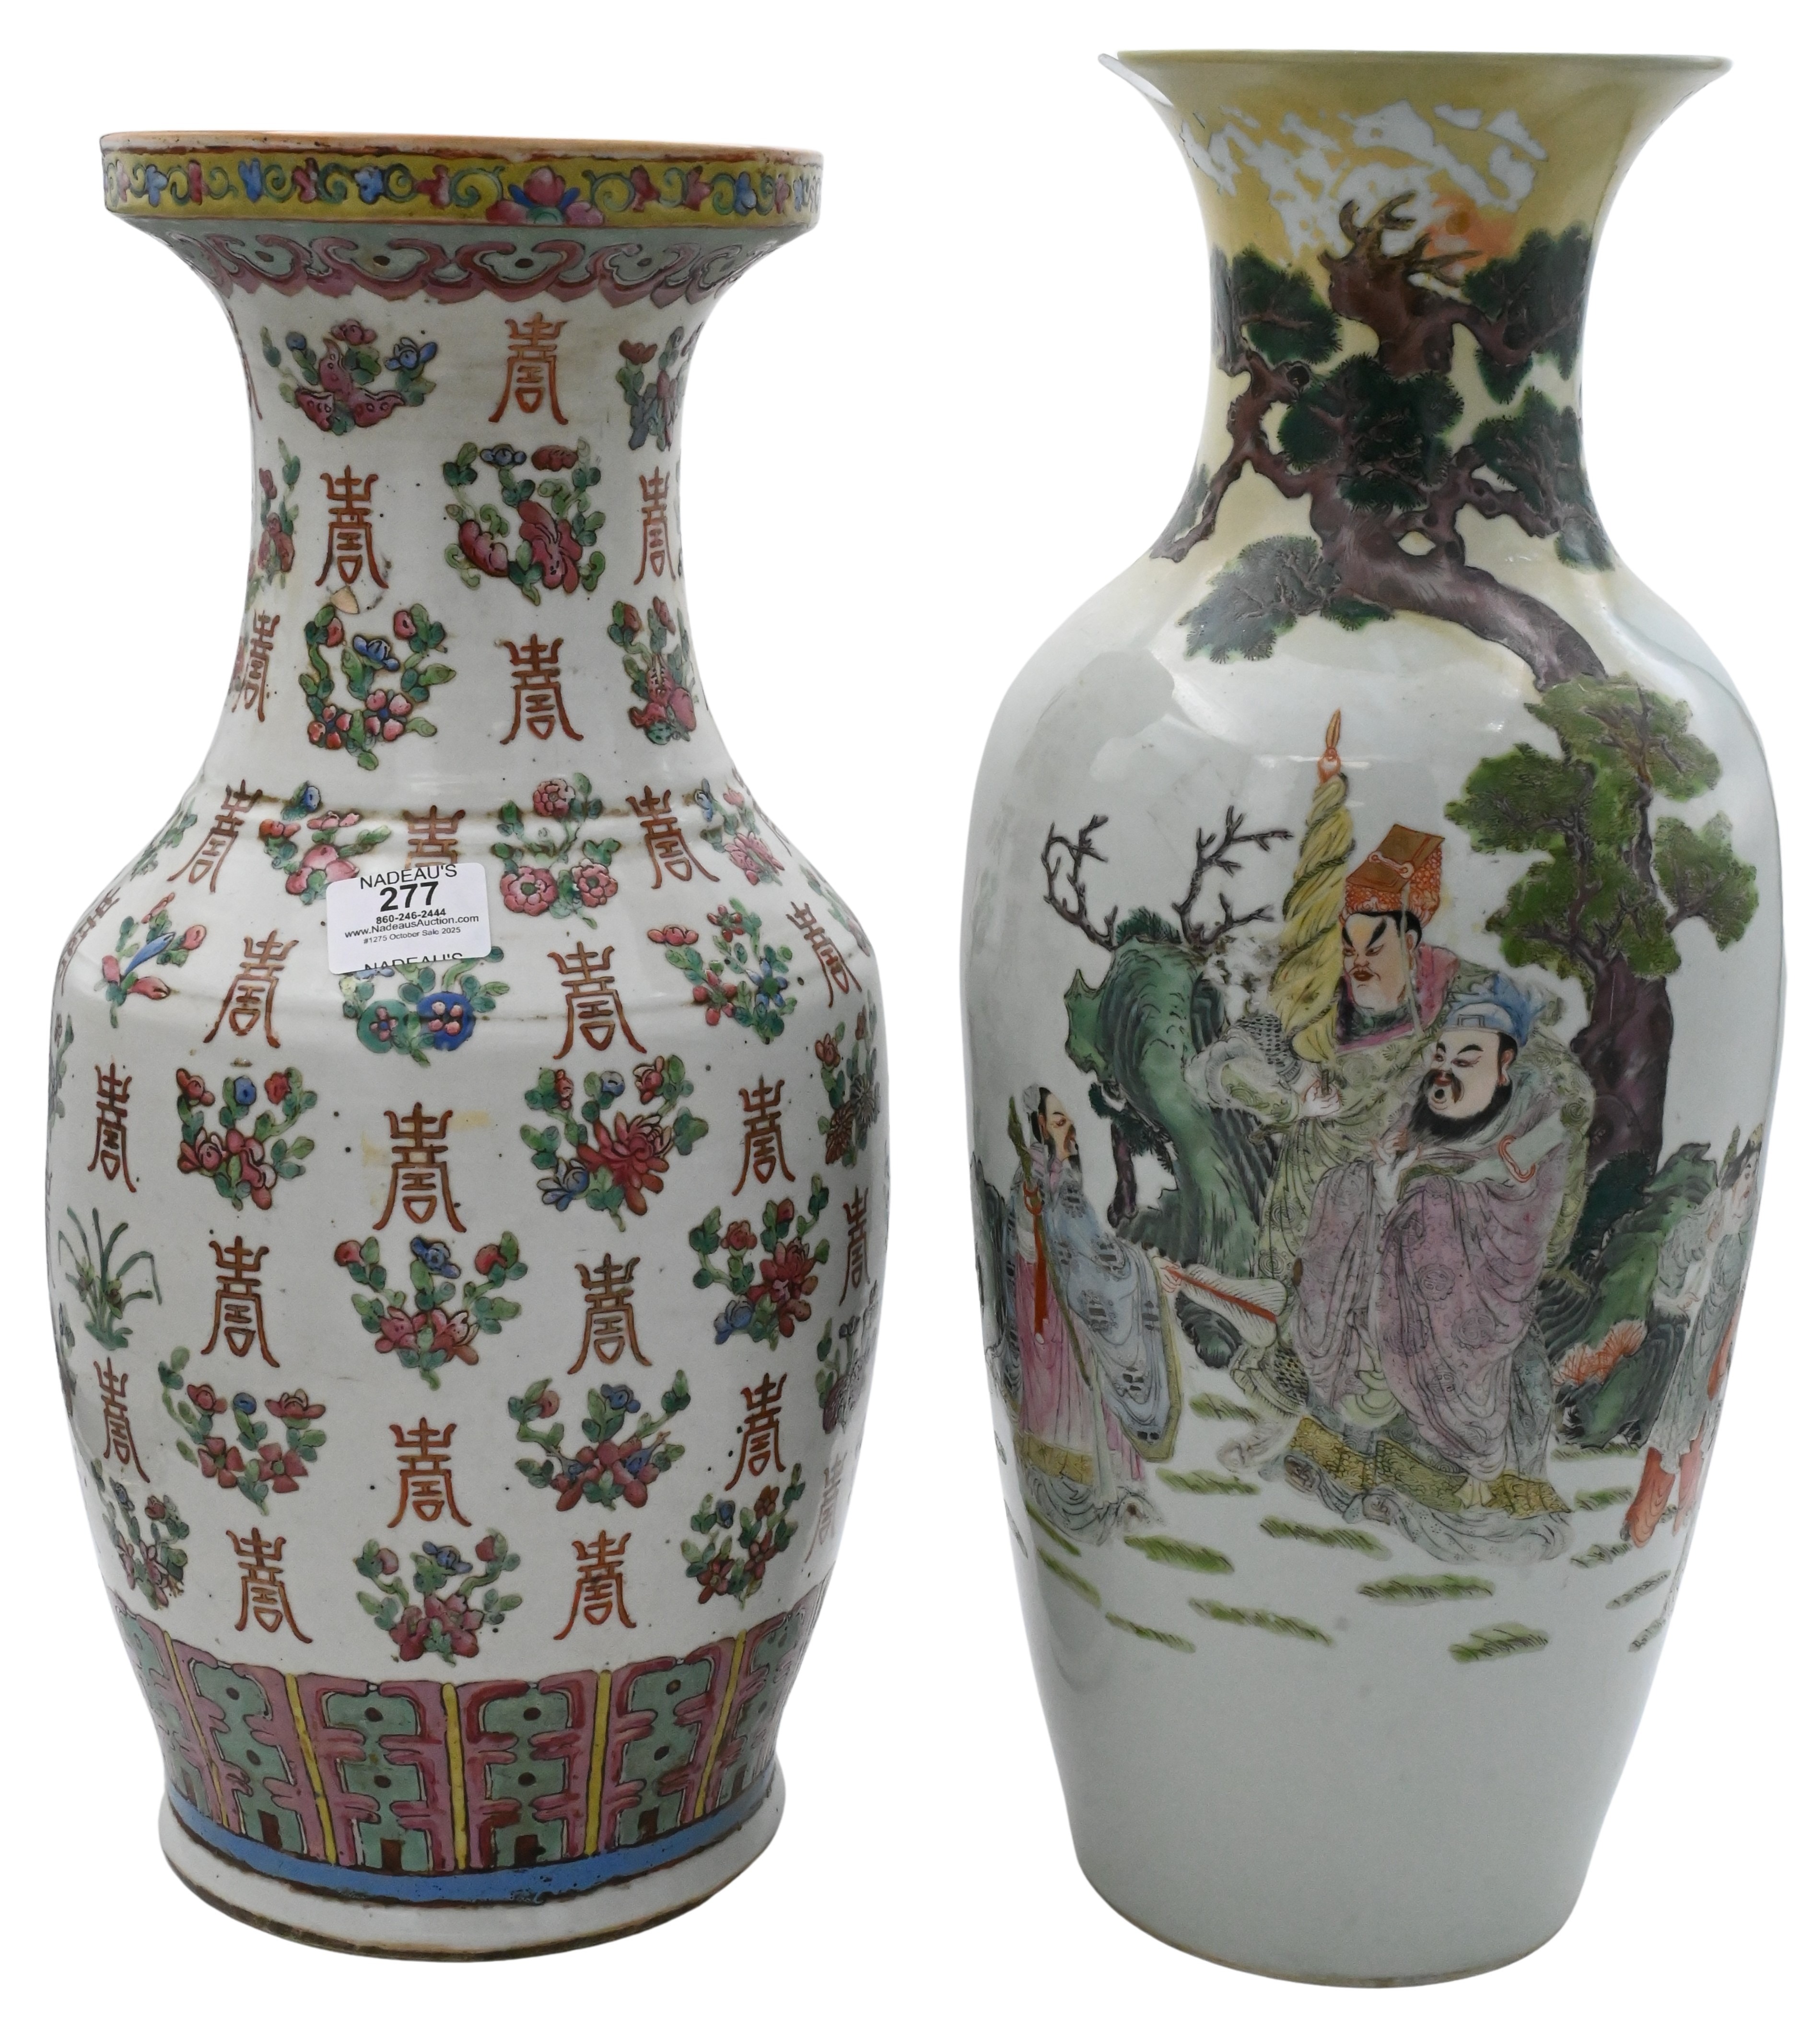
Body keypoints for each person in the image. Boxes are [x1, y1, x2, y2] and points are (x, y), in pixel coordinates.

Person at [1287, 974, 1591, 1508]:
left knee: (1430, 1218)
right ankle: (1347, 1419)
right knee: (1347, 1187)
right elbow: (1387, 1164)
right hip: (1385, 1273)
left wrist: (1422, 1195)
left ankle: (1474, 1456)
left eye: (1467, 1061)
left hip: (1473, 1285)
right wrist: (1382, 1181)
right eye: (1442, 1057)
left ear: (1505, 1067)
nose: (1446, 1073)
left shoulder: (1532, 1121)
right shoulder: (1419, 1108)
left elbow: (1521, 1212)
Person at [998, 1089, 1182, 1541]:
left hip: (1064, 1310)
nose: (1072, 1131)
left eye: (1070, 1122)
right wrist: (1144, 1270)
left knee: (1081, 1404)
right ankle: (1094, 1497)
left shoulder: (1056, 1183)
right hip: (1058, 1318)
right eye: (1060, 1122)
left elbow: (1088, 1252)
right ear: (1041, 1127)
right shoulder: (1042, 1183)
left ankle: (1104, 1495)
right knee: (1078, 1405)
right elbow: (1086, 1257)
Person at [1624, 1132, 1761, 1546]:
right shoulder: (1715, 1214)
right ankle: (1642, 1522)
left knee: (1696, 1430)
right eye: (1746, 1172)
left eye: (1755, 1173)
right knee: (1674, 1428)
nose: (1749, 1182)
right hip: (1691, 1345)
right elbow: (1678, 1254)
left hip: (1715, 1342)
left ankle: (1670, 1519)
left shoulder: (1741, 1228)